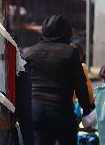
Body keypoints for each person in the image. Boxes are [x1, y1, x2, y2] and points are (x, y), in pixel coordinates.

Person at [25, 15, 94, 145]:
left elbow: (22, 82)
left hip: (35, 111)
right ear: (65, 32)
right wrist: (86, 110)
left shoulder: (30, 52)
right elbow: (80, 86)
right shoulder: (70, 53)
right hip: (61, 111)